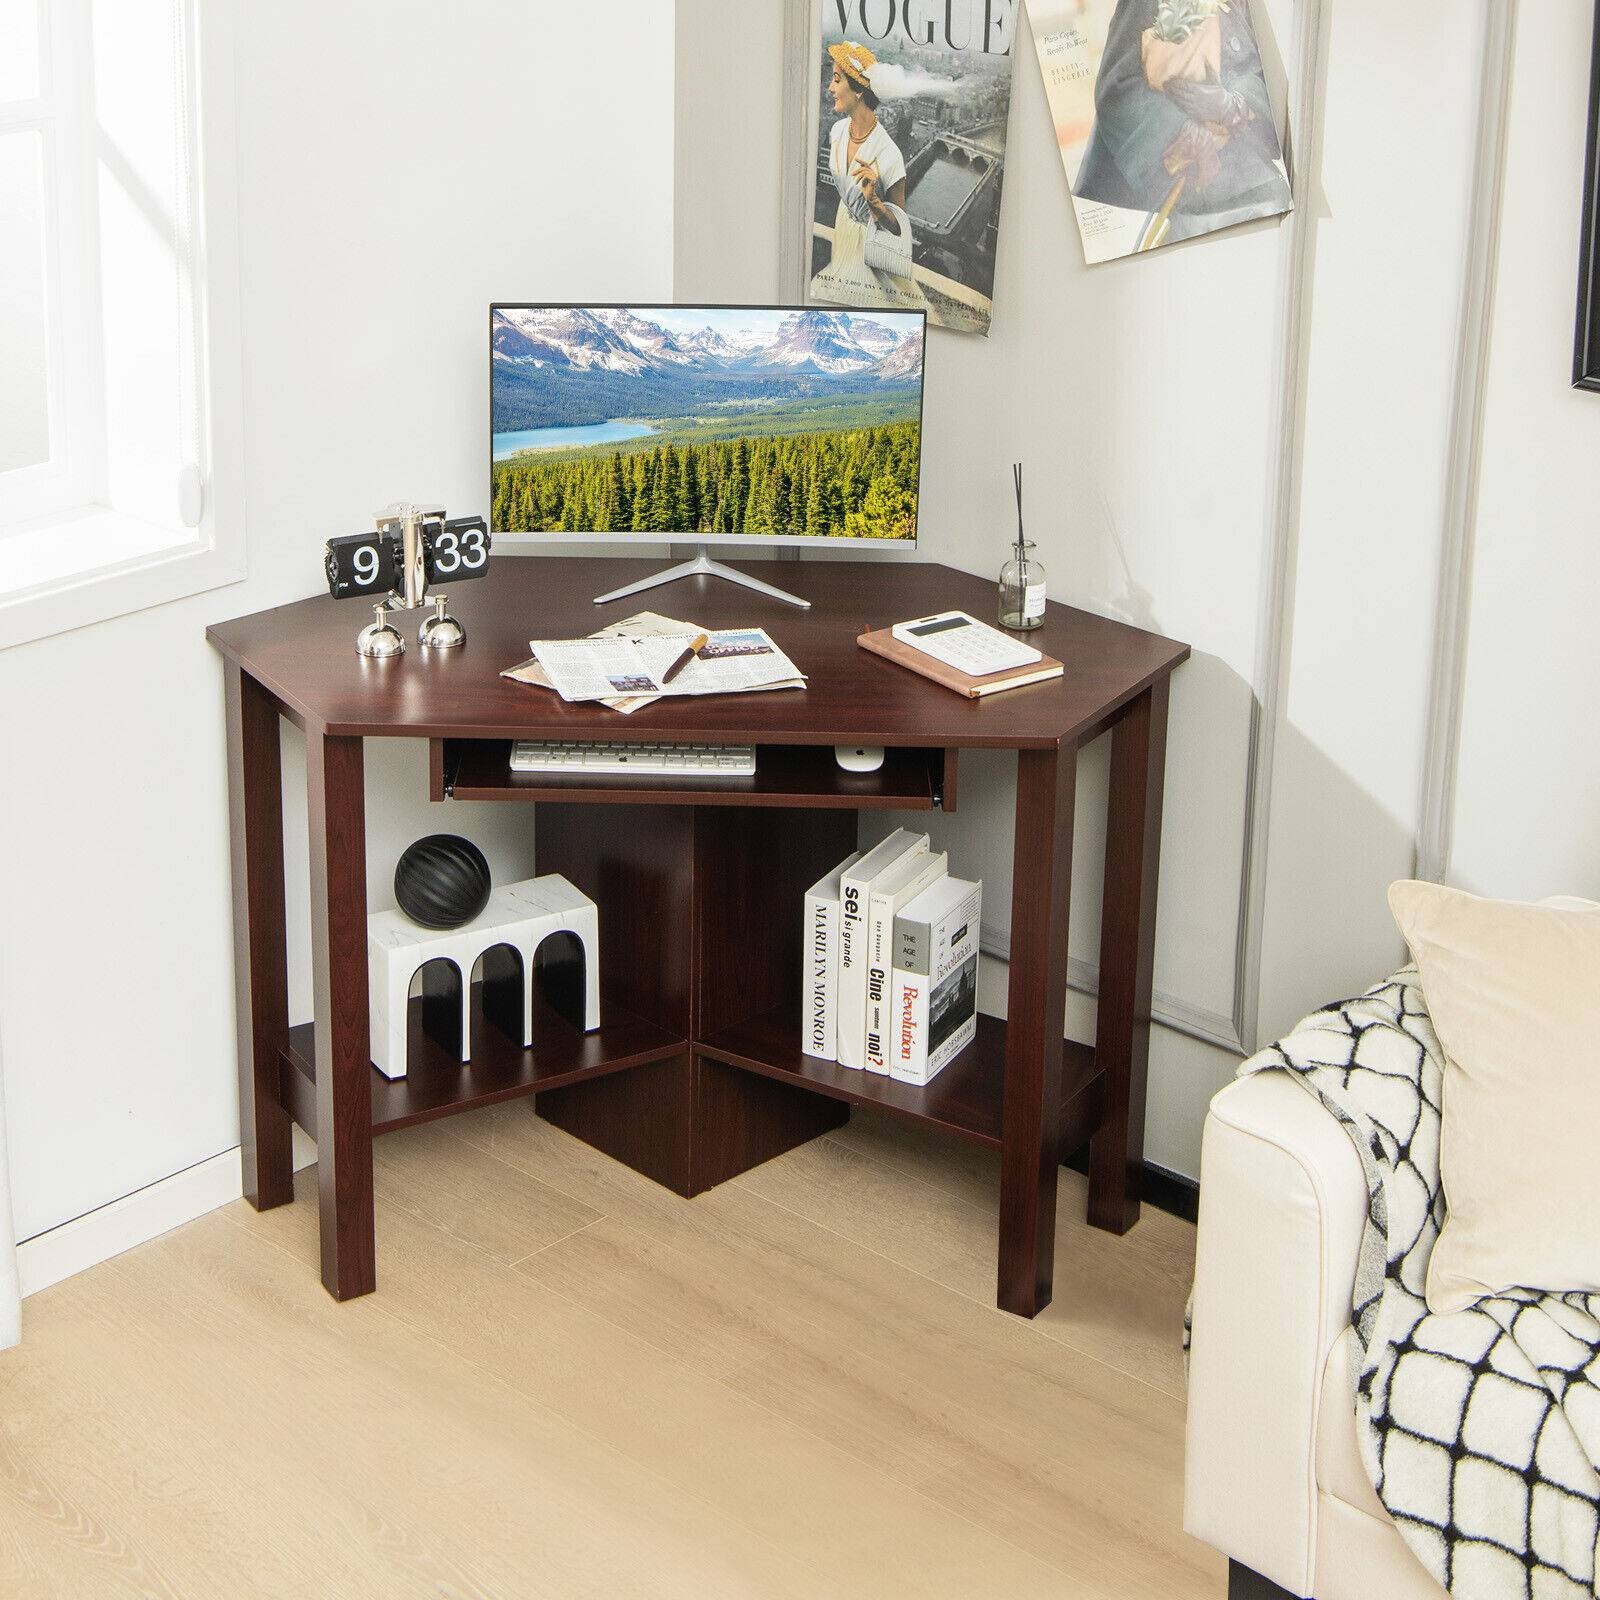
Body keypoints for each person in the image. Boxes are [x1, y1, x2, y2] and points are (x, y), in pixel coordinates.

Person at [1074, 0, 1290, 242]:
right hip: (1168, 185)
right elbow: (1116, 92)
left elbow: (1266, 69)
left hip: (1248, 174)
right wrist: (1184, 130)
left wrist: (1235, 105)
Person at [809, 41, 926, 308]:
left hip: (870, 248)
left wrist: (873, 201)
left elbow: (898, 229)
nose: (830, 88)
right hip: (843, 235)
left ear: (859, 90)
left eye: (837, 80)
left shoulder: (889, 154)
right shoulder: (838, 131)